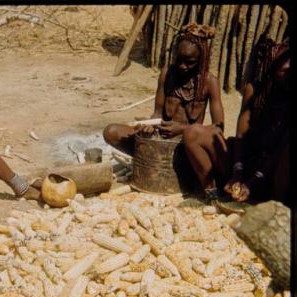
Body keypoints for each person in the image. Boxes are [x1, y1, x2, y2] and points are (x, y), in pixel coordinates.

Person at [182, 37, 290, 204]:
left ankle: (275, 207)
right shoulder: (254, 91)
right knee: (193, 133)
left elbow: (278, 153)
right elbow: (241, 137)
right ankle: (213, 193)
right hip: (244, 163)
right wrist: (237, 174)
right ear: (272, 69)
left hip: (272, 175)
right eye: (286, 71)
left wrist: (252, 183)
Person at [103, 23, 225, 156]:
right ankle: (151, 159)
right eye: (179, 60)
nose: (183, 66)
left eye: (190, 62)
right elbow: (158, 113)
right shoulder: (167, 74)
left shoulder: (210, 82)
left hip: (188, 145)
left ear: (201, 60)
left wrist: (183, 129)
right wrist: (149, 126)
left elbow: (218, 129)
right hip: (161, 138)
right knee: (112, 132)